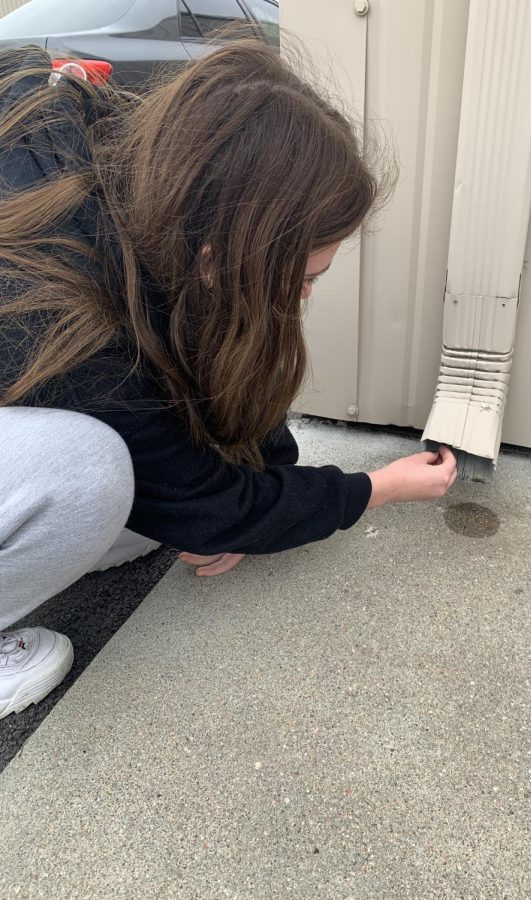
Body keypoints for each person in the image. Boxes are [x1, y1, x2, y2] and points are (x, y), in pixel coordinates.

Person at [0, 37, 457, 720]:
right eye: (302, 279)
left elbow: (211, 357)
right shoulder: (68, 317)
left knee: (130, 500)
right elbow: (214, 508)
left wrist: (271, 471)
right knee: (86, 474)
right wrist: (377, 489)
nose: (302, 298)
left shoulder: (131, 179)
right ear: (216, 258)